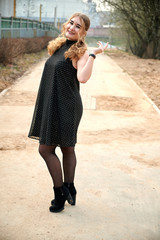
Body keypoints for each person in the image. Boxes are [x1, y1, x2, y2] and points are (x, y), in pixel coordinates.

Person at [28, 12, 108, 213]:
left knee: (47, 149)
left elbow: (82, 77)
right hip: (52, 103)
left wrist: (92, 54)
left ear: (84, 32)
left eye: (78, 26)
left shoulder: (79, 52)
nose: (72, 27)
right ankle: (70, 187)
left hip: (67, 105)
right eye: (71, 23)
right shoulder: (59, 46)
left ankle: (60, 192)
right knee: (65, 149)